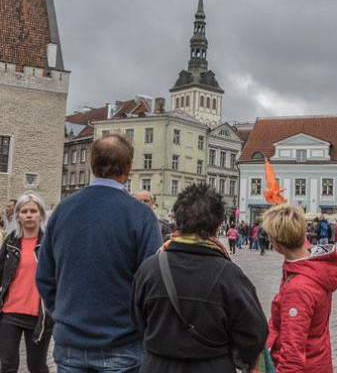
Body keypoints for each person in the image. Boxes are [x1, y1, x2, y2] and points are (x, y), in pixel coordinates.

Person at [36, 134, 163, 372]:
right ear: (128, 168)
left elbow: (44, 275)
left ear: (93, 165)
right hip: (122, 342)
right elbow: (152, 283)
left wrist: (63, 312)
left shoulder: (63, 210)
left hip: (71, 342)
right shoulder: (141, 215)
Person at [131, 184, 268, 372]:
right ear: (217, 225)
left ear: (178, 220)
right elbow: (255, 334)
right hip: (212, 365)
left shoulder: (149, 268)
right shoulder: (229, 275)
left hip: (158, 365)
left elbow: (138, 321)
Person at [262, 204, 337, 373]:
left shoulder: (298, 289)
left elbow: (293, 355)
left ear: (276, 242)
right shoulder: (313, 262)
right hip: (319, 360)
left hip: (306, 365)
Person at [0, 192, 53, 373]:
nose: (29, 215)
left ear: (41, 215)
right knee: (8, 366)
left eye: (33, 210)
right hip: (9, 313)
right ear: (18, 217)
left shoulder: (50, 244)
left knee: (36, 367)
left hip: (39, 317)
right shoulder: (11, 242)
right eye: (24, 211)